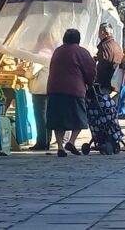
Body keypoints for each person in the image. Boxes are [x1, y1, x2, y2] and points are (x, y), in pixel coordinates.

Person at [46, 29, 96, 157]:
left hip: (55, 89)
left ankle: (60, 147)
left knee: (58, 120)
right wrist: (90, 83)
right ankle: (72, 141)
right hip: (74, 89)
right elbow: (90, 71)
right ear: (78, 39)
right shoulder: (81, 52)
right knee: (79, 118)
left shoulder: (57, 51)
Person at [25, 61, 51, 151]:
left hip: (39, 90)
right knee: (47, 116)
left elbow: (31, 74)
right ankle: (47, 141)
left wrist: (25, 71)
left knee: (40, 117)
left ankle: (41, 142)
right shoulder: (49, 56)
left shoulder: (38, 59)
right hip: (48, 88)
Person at [95, 22, 123, 91]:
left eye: (98, 32)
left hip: (106, 83)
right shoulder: (116, 45)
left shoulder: (104, 46)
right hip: (116, 80)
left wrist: (95, 79)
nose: (98, 36)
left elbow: (103, 65)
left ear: (102, 32)